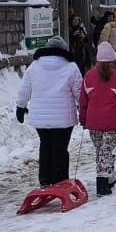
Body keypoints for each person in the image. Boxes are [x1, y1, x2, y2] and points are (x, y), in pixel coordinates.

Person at [16, 37, 82, 190]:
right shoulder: (71, 67)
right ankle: (60, 181)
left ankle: (45, 179)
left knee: (45, 146)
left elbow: (25, 88)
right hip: (63, 117)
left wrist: (20, 106)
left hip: (40, 117)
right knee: (60, 149)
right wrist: (84, 108)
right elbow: (79, 92)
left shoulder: (34, 65)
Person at [80, 42, 116, 196]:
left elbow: (83, 100)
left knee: (101, 151)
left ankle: (109, 177)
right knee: (106, 151)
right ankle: (102, 182)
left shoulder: (89, 76)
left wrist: (83, 119)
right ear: (113, 60)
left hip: (94, 122)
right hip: (112, 121)